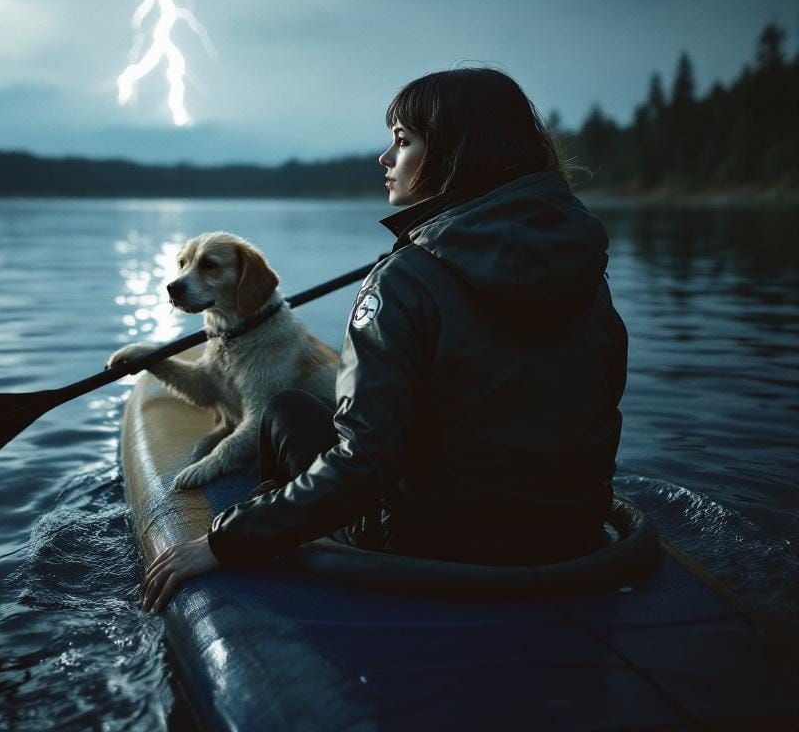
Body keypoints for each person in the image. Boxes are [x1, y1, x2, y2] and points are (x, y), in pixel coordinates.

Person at [140, 67, 628, 613]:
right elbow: (602, 411)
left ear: (453, 156)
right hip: (571, 536)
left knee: (287, 412)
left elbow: (365, 460)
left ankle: (273, 539)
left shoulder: (402, 282)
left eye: (402, 141)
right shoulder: (586, 268)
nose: (385, 158)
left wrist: (225, 538)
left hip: (426, 545)